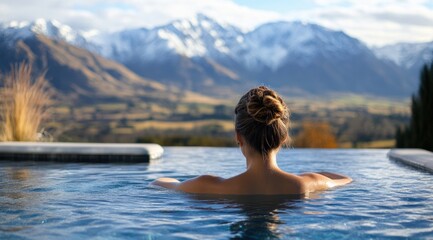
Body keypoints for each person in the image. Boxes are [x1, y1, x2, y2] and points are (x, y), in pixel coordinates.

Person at [151, 86, 352, 196]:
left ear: (239, 137)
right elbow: (345, 179)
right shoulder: (305, 185)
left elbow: (161, 183)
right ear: (283, 138)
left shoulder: (211, 187)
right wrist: (307, 176)